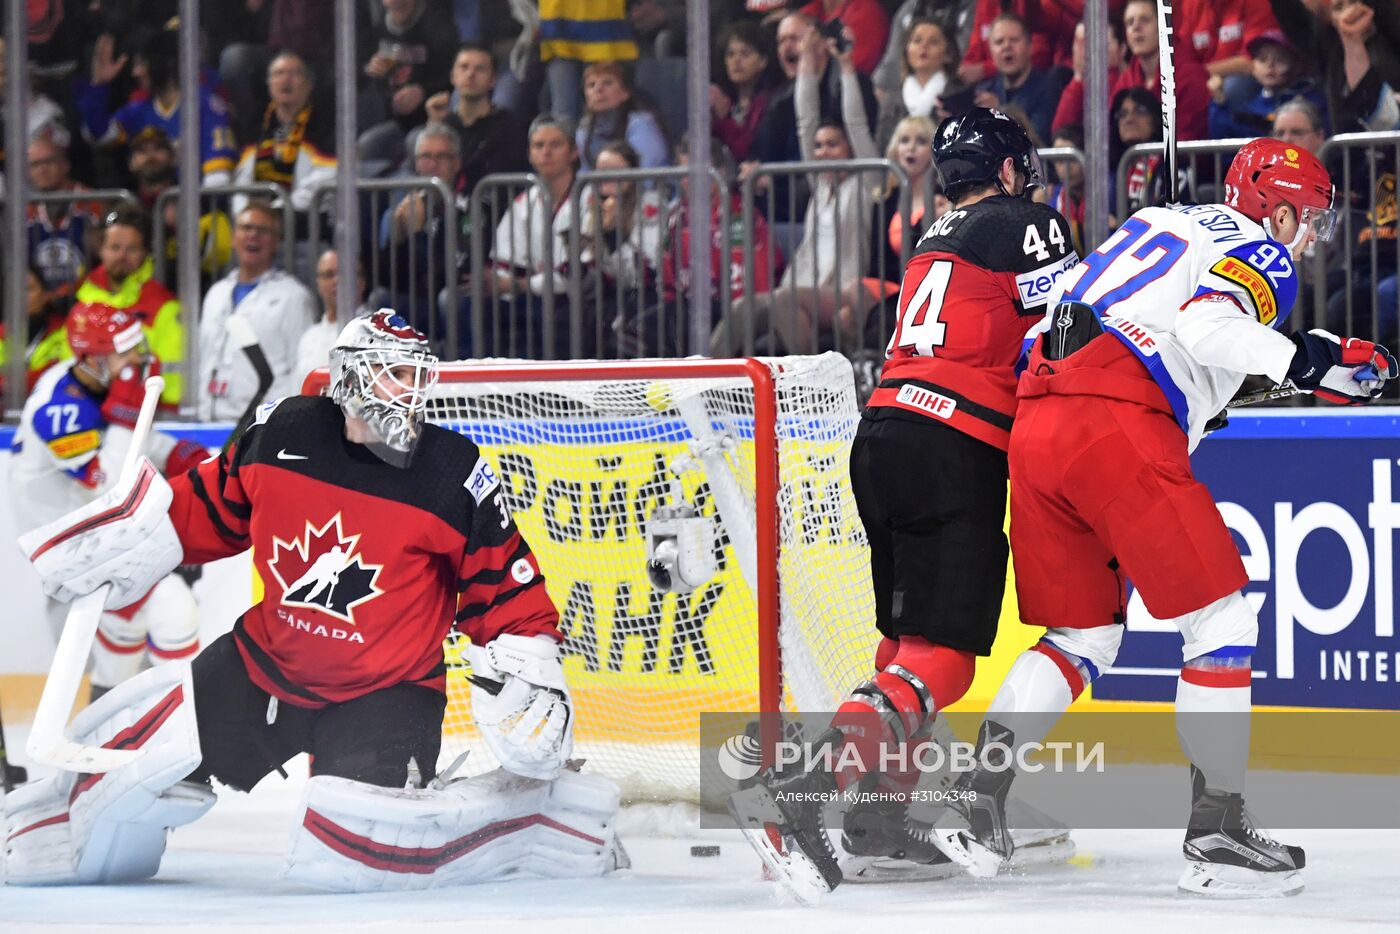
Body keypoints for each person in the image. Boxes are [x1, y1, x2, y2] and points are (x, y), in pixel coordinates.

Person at [6, 311, 622, 890]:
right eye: (397, 374)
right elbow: (208, 507)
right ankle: (51, 817)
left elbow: (505, 586)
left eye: (418, 375)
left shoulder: (448, 471)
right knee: (128, 781)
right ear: (352, 376)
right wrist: (130, 542)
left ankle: (523, 826)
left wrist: (533, 676)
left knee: (355, 849)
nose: (413, 391)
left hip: (388, 693)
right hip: (263, 670)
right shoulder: (285, 432)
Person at [940, 137, 1395, 896]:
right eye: (1308, 216)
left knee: (1082, 635)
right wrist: (1305, 361)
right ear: (1277, 210)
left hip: (1041, 420)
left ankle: (972, 796)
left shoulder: (1152, 221)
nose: (1310, 235)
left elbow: (1110, 324)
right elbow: (1205, 328)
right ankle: (1217, 828)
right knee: (1220, 620)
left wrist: (1215, 391)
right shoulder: (1261, 248)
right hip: (1115, 418)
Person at [732, 108, 1079, 900]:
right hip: (951, 445)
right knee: (945, 659)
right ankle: (806, 788)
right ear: (1007, 171)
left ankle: (880, 819)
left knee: (904, 644)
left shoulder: (934, 235)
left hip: (882, 432)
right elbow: (1071, 330)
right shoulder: (1029, 224)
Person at [8, 304, 206, 703]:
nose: (137, 360)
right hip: (69, 545)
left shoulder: (96, 384)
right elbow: (110, 488)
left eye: (138, 347)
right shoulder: (59, 410)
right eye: (125, 353)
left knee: (132, 634)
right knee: (166, 615)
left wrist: (175, 453)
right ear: (91, 359)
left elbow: (134, 449)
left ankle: (118, 729)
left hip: (99, 533)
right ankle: (159, 719)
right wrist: (125, 419)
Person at [712, 25, 879, 357]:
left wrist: (845, 66)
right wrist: (805, 61)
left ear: (849, 149)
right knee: (743, 306)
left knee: (785, 299)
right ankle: (704, 382)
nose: (823, 153)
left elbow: (857, 123)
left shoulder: (866, 181)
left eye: (833, 145)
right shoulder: (819, 185)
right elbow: (806, 120)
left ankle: (805, 387)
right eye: (818, 147)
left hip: (842, 292)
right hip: (799, 289)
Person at [197, 202, 317, 420]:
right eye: (246, 228)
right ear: (234, 237)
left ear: (275, 242)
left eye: (262, 230)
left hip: (262, 425)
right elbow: (204, 357)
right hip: (210, 422)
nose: (253, 235)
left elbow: (299, 368)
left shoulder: (293, 296)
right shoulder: (215, 293)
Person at [73, 208, 185, 409]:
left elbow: (173, 383)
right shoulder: (83, 303)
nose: (122, 256)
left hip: (144, 417)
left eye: (132, 249)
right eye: (115, 247)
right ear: (102, 250)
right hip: (85, 411)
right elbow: (71, 364)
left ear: (144, 253)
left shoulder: (164, 305)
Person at [424, 43, 529, 195]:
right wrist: (433, 128)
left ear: (493, 80)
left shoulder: (509, 127)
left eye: (480, 69)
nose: (470, 74)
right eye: (464, 67)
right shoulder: (444, 124)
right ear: (453, 76)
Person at [1208, 30, 1327, 140]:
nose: (1270, 65)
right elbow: (1224, 142)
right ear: (1253, 65)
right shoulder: (1247, 108)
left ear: (1296, 65)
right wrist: (1219, 104)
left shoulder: (1312, 100)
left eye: (1280, 59)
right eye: (1262, 59)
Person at [973, 12, 1067, 143]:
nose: (1006, 46)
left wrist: (1000, 112)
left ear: (1030, 47)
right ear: (991, 50)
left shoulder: (1048, 89)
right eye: (999, 42)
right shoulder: (983, 91)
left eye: (1014, 40)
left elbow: (1038, 141)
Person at [296, 248, 372, 385]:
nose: (336, 281)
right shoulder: (309, 337)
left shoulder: (375, 330)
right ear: (318, 283)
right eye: (329, 275)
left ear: (362, 282)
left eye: (344, 274)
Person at [575, 62, 670, 170]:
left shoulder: (641, 123)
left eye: (607, 83)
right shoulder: (584, 127)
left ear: (625, 93)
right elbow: (585, 172)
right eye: (591, 85)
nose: (598, 89)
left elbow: (647, 171)